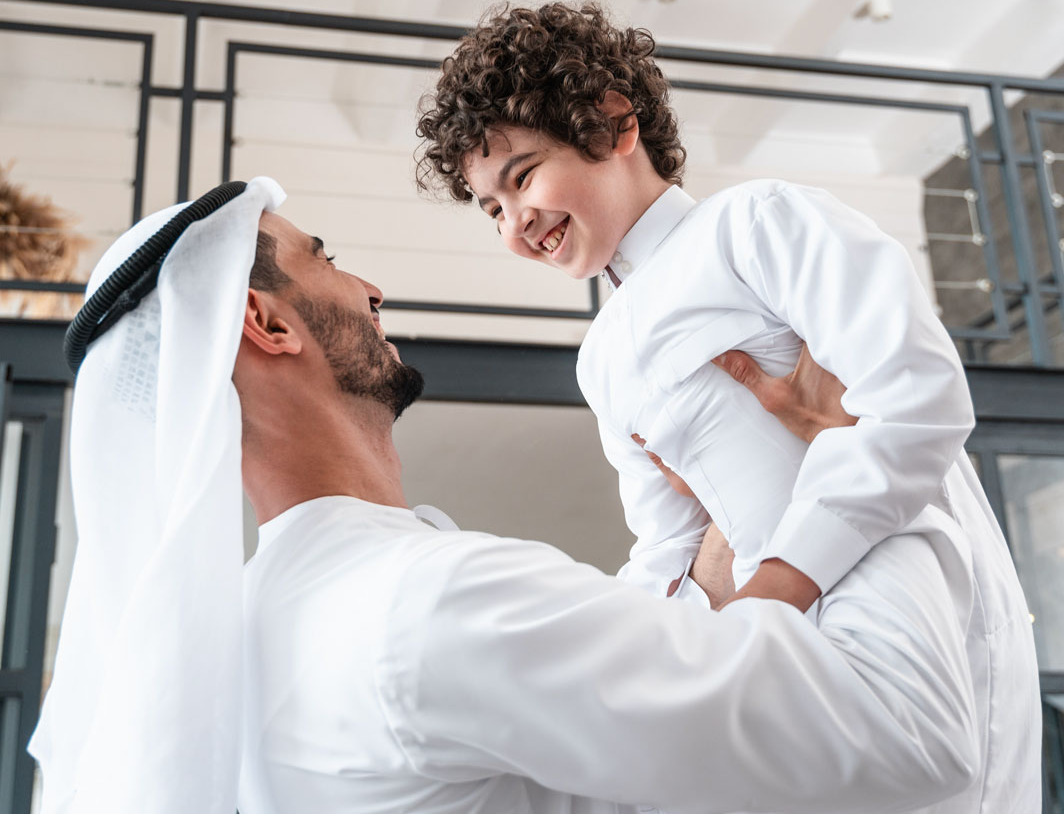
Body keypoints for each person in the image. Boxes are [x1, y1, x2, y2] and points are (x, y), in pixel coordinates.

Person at [33, 179, 980, 814]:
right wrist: (846, 454)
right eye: (325, 257)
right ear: (265, 322)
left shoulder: (255, 628)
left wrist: (709, 570)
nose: (369, 286)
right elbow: (909, 737)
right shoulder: (431, 603)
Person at [415, 2, 1041, 809]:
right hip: (782, 650)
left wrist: (775, 591)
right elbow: (665, 544)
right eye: (492, 209)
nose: (514, 224)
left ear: (613, 124)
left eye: (523, 176)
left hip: (905, 594)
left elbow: (918, 399)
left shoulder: (758, 223)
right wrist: (619, 664)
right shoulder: (600, 360)